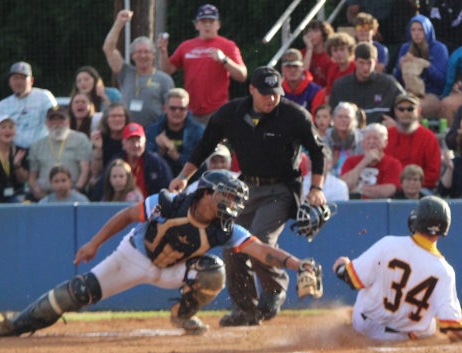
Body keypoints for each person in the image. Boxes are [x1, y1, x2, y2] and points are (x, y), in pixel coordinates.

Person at [0, 170, 322, 337]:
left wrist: (296, 264)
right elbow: (127, 215)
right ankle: (14, 325)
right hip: (134, 257)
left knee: (213, 270)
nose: (231, 205)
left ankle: (183, 313)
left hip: (175, 269)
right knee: (78, 292)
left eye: (234, 200)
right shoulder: (170, 202)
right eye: (226, 197)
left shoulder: (226, 228)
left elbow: (262, 251)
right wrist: (95, 243)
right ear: (205, 193)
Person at [169, 66, 327, 327]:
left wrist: (317, 188)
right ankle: (246, 310)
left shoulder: (294, 115)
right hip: (245, 188)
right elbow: (205, 145)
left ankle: (274, 290)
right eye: (265, 93)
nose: (271, 99)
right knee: (233, 246)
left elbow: (318, 151)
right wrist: (185, 177)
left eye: (275, 93)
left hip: (281, 188)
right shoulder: (231, 113)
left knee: (260, 240)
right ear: (251, 89)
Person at [332, 195, 462, 342]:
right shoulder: (445, 271)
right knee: (431, 325)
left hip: (364, 327)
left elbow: (351, 279)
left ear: (416, 220)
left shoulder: (388, 244)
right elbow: (453, 325)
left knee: (366, 296)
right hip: (400, 337)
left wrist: (341, 266)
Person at [158, 4, 247, 126]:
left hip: (217, 110)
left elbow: (242, 75)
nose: (207, 25)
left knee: (216, 145)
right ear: (196, 25)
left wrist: (225, 60)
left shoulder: (228, 46)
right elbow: (167, 70)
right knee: (192, 145)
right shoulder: (186, 46)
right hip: (189, 111)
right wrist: (163, 52)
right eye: (203, 21)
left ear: (218, 24)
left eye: (211, 21)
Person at [103, 10, 175, 127]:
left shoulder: (164, 79)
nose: (142, 56)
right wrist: (119, 23)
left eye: (146, 52)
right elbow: (108, 49)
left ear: (153, 55)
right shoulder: (125, 72)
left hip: (154, 133)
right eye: (138, 52)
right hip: (127, 132)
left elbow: (171, 110)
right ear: (132, 56)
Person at [330, 42, 405, 125]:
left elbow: (407, 106)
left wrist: (397, 124)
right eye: (361, 63)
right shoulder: (341, 86)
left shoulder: (389, 84)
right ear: (354, 62)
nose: (365, 67)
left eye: (369, 63)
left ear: (376, 62)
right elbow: (332, 114)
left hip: (381, 133)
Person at [27, 107, 92, 201]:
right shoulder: (37, 145)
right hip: (46, 195)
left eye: (61, 119)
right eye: (52, 120)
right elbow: (32, 175)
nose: (57, 123)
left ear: (68, 122)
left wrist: (78, 188)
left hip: (72, 192)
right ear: (47, 123)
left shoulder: (80, 140)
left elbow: (85, 169)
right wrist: (36, 189)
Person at [394, 14, 449, 119]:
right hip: (408, 92)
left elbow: (442, 81)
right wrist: (400, 67)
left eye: (420, 30)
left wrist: (427, 66)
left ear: (427, 30)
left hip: (432, 93)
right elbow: (397, 80)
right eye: (413, 30)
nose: (416, 34)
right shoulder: (405, 48)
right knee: (402, 107)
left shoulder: (439, 49)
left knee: (412, 109)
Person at [384, 93, 441, 190]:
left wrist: (411, 185)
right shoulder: (386, 136)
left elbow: (433, 172)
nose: (406, 112)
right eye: (401, 109)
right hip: (390, 189)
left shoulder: (429, 138)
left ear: (418, 111)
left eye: (410, 109)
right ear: (395, 111)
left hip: (420, 190)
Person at [145, 88, 205, 178]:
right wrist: (159, 151)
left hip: (189, 182)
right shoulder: (153, 130)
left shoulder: (198, 131)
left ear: (187, 109)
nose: (177, 112)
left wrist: (177, 156)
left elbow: (201, 165)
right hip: (160, 182)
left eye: (182, 109)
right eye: (173, 108)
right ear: (165, 109)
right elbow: (146, 163)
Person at [0, 61, 57, 149]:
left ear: (31, 80)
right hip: (13, 150)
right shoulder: (3, 104)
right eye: (15, 78)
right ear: (9, 82)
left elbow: (57, 118)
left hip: (42, 148)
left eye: (22, 78)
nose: (18, 82)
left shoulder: (44, 96)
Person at [107, 122, 173, 198]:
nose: (136, 145)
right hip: (121, 207)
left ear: (145, 141)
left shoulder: (156, 162)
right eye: (131, 141)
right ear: (123, 143)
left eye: (138, 140)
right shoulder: (115, 162)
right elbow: (103, 190)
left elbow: (167, 190)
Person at [340, 123, 403, 199]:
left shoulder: (393, 163)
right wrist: (364, 162)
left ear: (385, 143)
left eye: (376, 138)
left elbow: (389, 190)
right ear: (363, 143)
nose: (371, 142)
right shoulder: (351, 161)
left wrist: (358, 189)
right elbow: (343, 186)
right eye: (368, 138)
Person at [89, 103, 129, 187]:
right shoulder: (100, 137)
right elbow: (96, 171)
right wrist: (98, 148)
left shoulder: (130, 137)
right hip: (106, 178)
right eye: (113, 116)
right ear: (106, 119)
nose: (117, 119)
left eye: (121, 116)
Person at [322, 102, 365, 177]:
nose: (343, 120)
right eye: (340, 117)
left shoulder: (361, 141)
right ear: (333, 119)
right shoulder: (324, 141)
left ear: (354, 120)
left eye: (347, 117)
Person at [280, 48, 325, 114]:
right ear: (282, 69)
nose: (292, 70)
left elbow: (317, 119)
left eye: (296, 66)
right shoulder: (277, 91)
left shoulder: (316, 91)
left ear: (302, 67)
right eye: (288, 66)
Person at [301, 19, 335, 88]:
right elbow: (302, 74)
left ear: (324, 34)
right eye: (309, 31)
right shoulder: (302, 53)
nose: (311, 34)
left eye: (315, 31)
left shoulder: (330, 55)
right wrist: (309, 49)